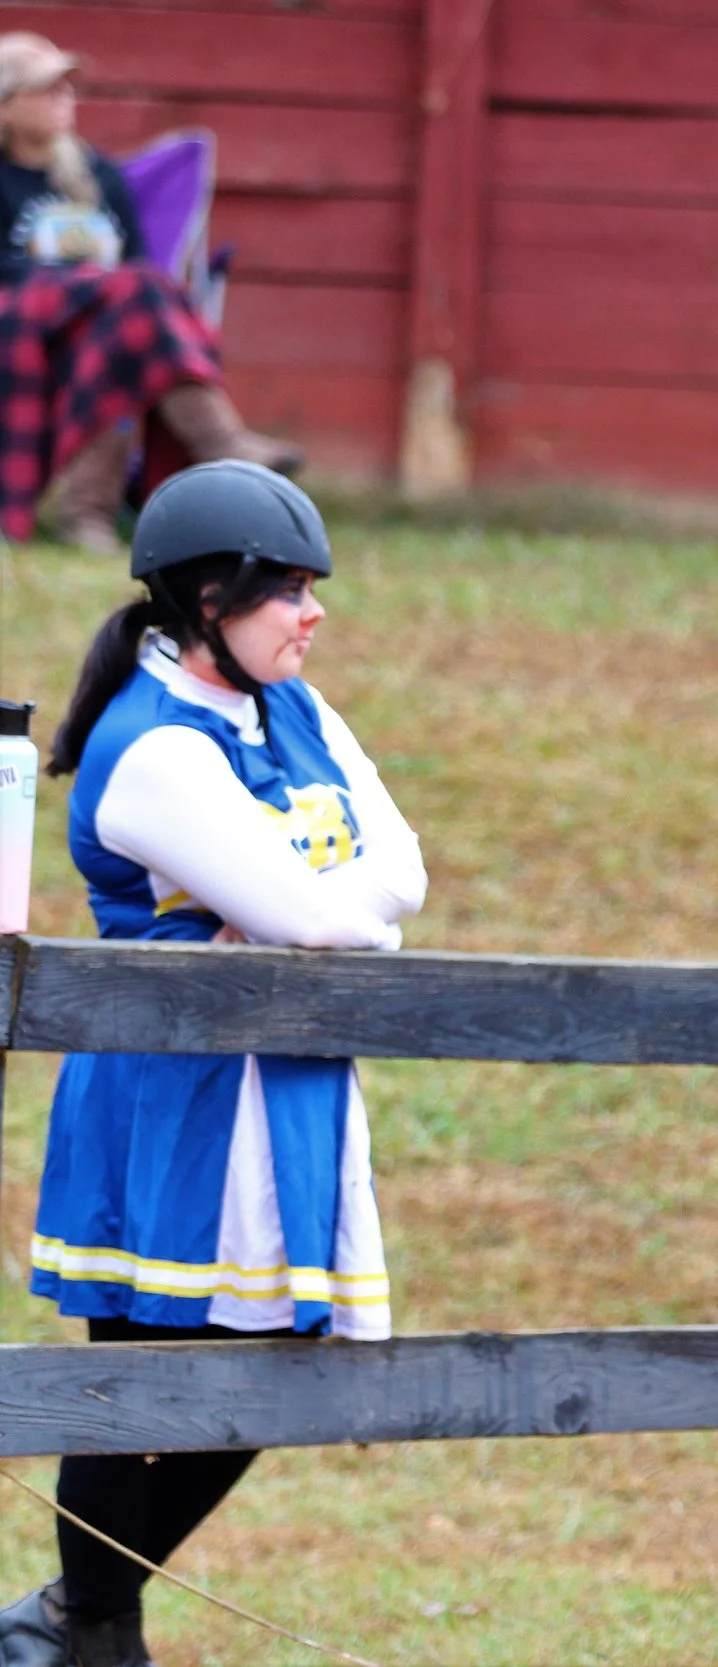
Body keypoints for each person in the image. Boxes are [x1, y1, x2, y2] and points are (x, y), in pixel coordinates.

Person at [0, 463, 424, 1667]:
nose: (313, 611)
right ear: (205, 599)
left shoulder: (298, 709)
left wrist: (333, 914)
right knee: (141, 1363)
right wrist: (330, 913)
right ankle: (95, 1629)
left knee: (274, 1363)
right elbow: (326, 918)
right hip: (175, 1095)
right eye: (288, 588)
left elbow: (399, 874)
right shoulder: (154, 748)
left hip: (283, 1079)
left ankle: (70, 1618)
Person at [0, 32, 301, 556]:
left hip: (103, 328)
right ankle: (218, 443)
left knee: (125, 326)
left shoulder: (94, 174)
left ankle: (89, 514)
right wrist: (85, 286)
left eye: (68, 90)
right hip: (27, 322)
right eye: (47, 90)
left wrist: (103, 294)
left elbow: (137, 257)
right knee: (134, 297)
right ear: (7, 104)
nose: (63, 101)